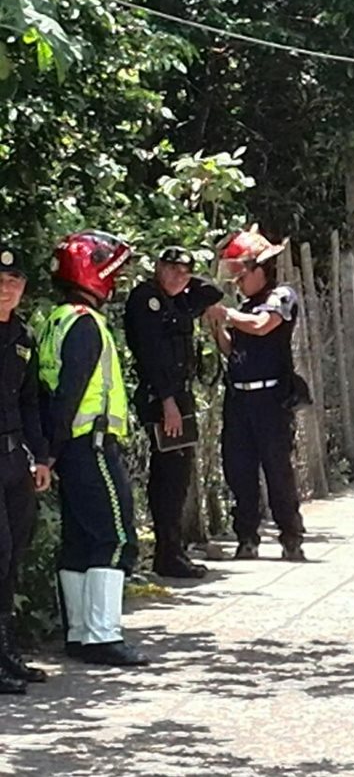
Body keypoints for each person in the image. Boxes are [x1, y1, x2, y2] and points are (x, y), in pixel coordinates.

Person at [38, 230, 148, 666]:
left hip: (69, 446)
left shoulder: (55, 320)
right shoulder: (85, 323)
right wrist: (55, 448)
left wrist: (51, 449)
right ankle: (103, 635)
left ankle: (81, 633)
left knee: (80, 539)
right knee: (116, 537)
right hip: (91, 443)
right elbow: (68, 393)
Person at [124, 246, 224, 579]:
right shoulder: (146, 300)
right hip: (162, 398)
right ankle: (168, 552)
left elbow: (213, 291)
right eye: (171, 269)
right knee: (169, 475)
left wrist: (186, 281)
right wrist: (167, 401)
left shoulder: (177, 300)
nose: (178, 276)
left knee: (179, 473)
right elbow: (152, 354)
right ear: (157, 268)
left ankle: (172, 549)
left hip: (179, 397)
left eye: (184, 271)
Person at [208, 226, 306, 562]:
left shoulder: (281, 297)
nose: (236, 280)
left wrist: (227, 315)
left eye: (241, 272)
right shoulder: (244, 306)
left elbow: (263, 325)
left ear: (259, 269)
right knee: (238, 468)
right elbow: (232, 350)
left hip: (271, 400)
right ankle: (246, 536)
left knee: (277, 469)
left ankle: (291, 535)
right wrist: (217, 327)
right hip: (239, 398)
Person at [0, 246, 51, 693]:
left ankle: (5, 651)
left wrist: (42, 456)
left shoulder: (22, 337)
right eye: (0, 282)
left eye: (14, 282)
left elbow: (31, 402)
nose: (6, 289)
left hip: (15, 458)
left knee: (14, 554)